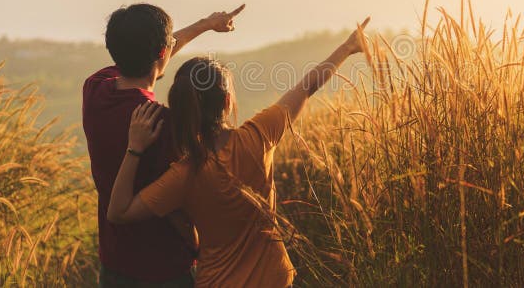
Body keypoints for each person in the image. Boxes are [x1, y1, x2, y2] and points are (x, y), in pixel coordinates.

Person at [106, 18, 371, 287]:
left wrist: (134, 149)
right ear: (226, 101)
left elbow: (118, 213)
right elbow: (307, 86)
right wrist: (348, 48)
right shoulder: (257, 136)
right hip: (273, 279)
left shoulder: (182, 174)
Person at [82, 2, 245, 287]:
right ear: (161, 52)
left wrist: (205, 23)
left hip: (114, 263)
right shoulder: (164, 124)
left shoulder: (95, 89)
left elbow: (149, 56)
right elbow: (177, 209)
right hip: (165, 268)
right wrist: (198, 247)